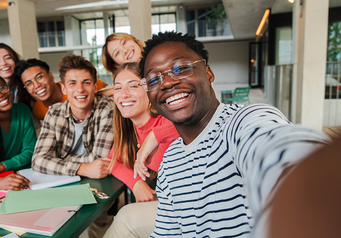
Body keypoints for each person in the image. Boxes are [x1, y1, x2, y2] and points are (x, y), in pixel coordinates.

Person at [135, 32, 330, 237]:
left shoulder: (242, 122)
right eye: (154, 78)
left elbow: (280, 149)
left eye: (181, 68)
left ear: (208, 74)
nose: (166, 83)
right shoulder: (170, 161)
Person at [103, 62, 179, 238]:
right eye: (118, 88)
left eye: (133, 86)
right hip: (164, 205)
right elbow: (112, 162)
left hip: (190, 208)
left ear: (150, 90)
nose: (124, 94)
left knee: (125, 219)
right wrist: (136, 183)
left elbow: (189, 123)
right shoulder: (130, 130)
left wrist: (155, 136)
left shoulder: (168, 119)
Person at [32, 54, 114, 178]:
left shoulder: (107, 109)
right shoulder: (54, 113)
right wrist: (82, 168)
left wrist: (57, 160)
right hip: (63, 181)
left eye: (86, 83)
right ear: (64, 89)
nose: (80, 89)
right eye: (72, 83)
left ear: (95, 87)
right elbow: (38, 161)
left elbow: (99, 159)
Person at [14, 58, 112, 121]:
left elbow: (112, 90)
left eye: (39, 77)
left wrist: (100, 94)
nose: (36, 85)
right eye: (29, 83)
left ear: (51, 76)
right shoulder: (38, 110)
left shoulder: (79, 83)